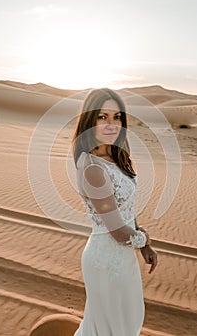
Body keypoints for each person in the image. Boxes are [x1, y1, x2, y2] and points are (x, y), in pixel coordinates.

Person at [72, 88, 158, 336]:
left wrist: (142, 244)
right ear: (89, 120)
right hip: (105, 259)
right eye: (102, 117)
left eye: (117, 117)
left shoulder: (115, 157)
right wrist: (144, 239)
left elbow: (126, 209)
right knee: (113, 329)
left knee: (126, 324)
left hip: (122, 257)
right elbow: (118, 231)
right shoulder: (93, 169)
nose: (111, 125)